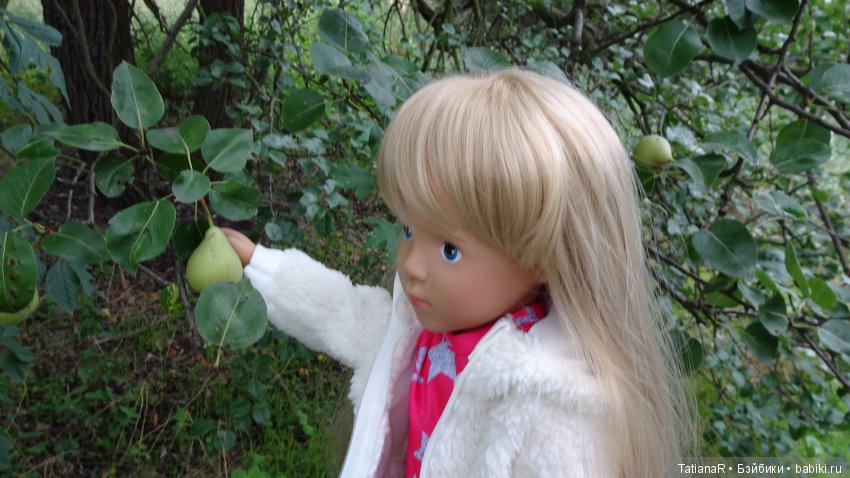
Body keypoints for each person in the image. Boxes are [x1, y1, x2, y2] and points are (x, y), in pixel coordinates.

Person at [223, 68, 696, 477]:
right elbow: (343, 313)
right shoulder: (418, 329)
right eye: (408, 229)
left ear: (542, 257)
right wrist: (259, 263)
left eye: (450, 249)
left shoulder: (551, 400)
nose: (411, 265)